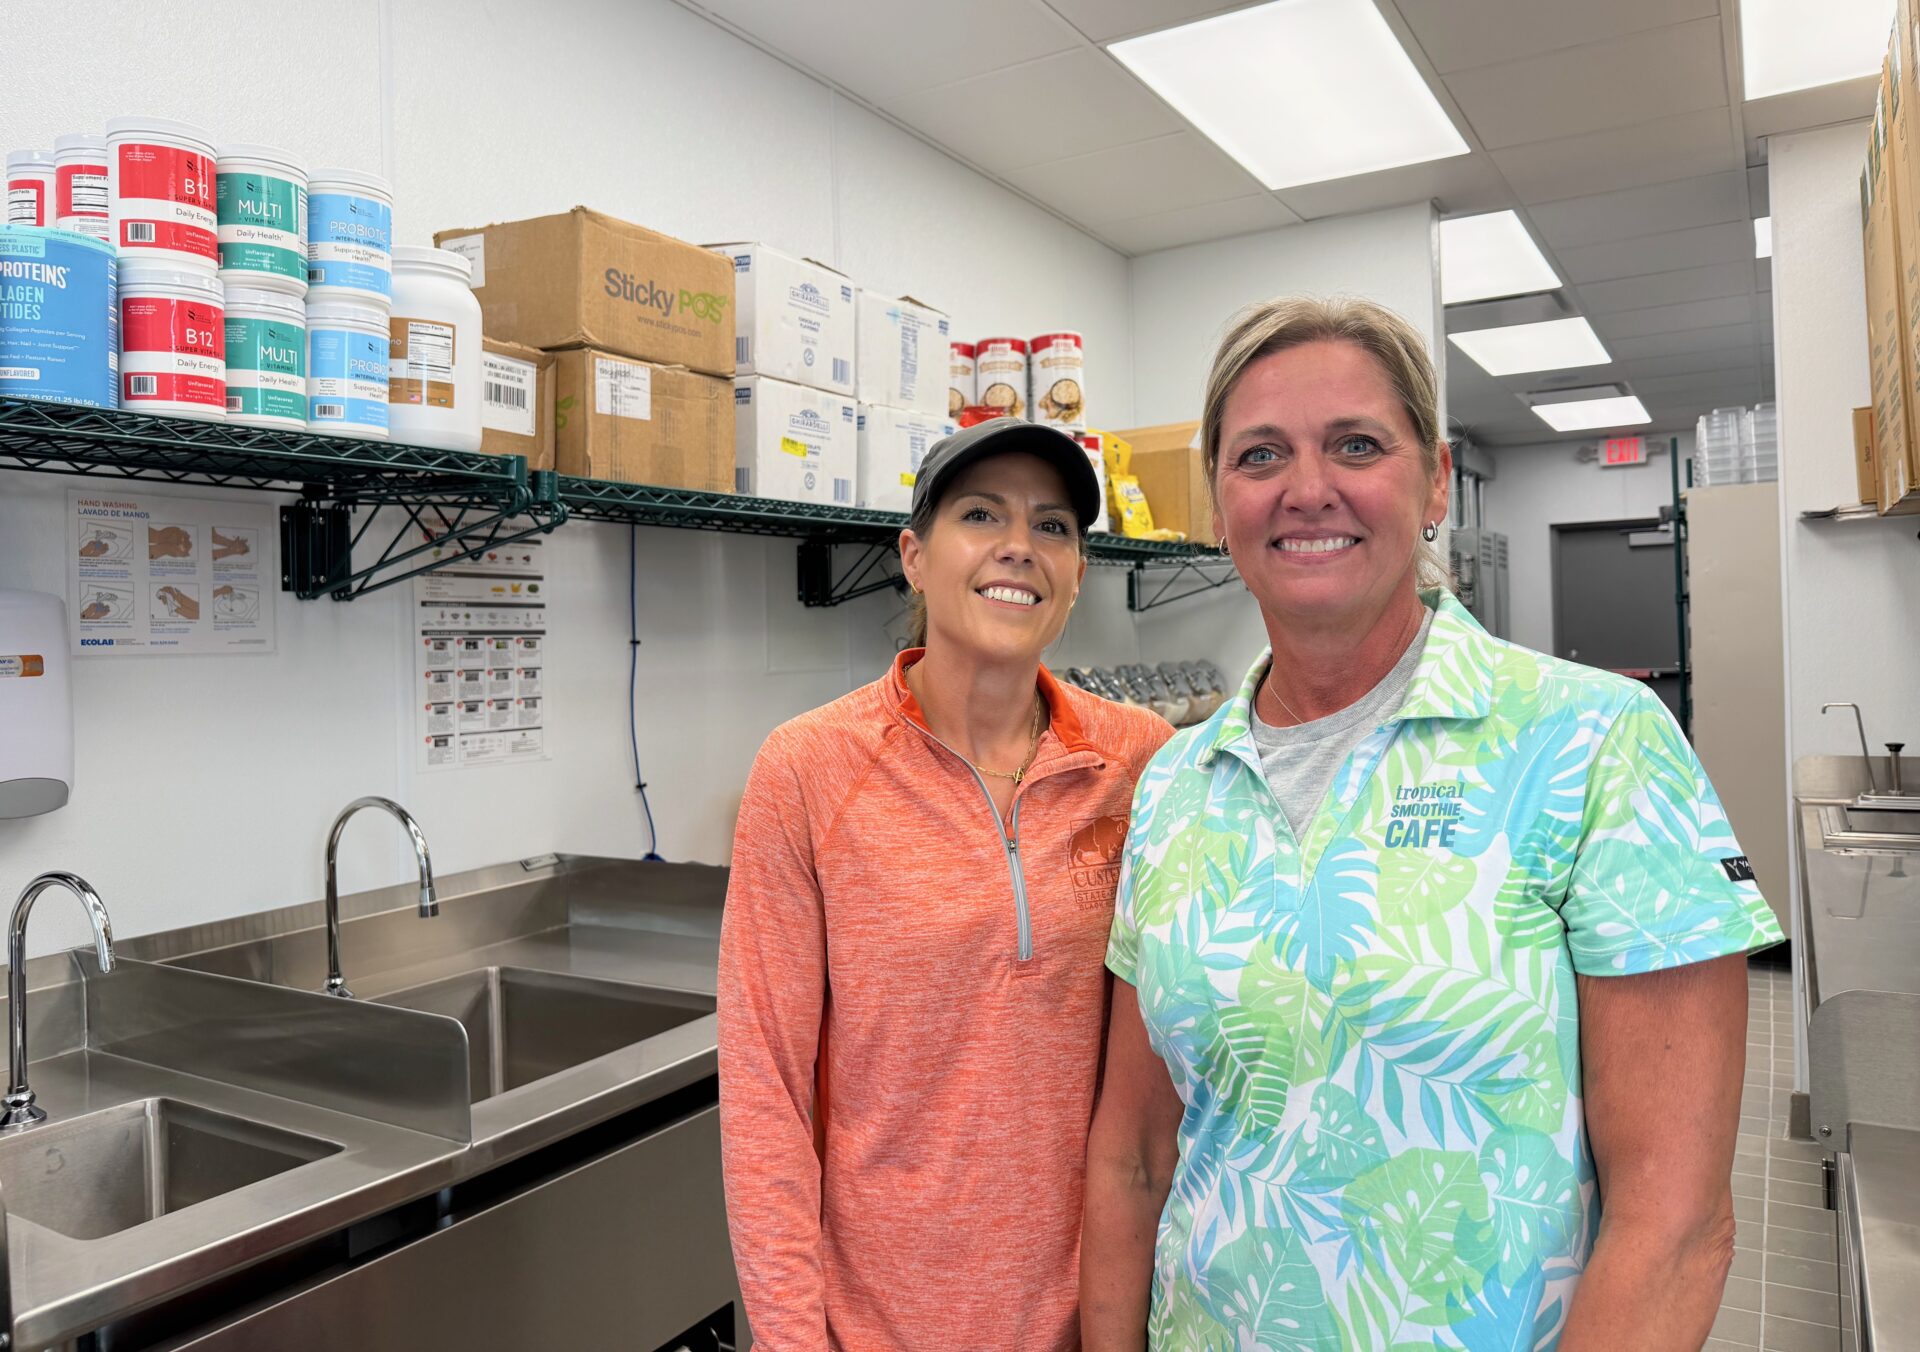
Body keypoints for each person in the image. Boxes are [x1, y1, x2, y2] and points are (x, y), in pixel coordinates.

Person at [1081, 297, 1784, 1351]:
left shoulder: (1593, 744)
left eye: (1356, 444)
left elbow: (1675, 1225)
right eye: (1260, 453)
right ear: (1220, 500)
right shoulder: (1178, 783)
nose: (1306, 488)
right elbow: (1135, 1152)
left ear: (1436, 480)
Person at [720, 419, 1174, 1350]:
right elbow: (766, 1091)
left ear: (1078, 573)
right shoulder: (808, 769)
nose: (1021, 545)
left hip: (1097, 1319)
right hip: (877, 1324)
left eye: (1053, 526)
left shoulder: (1138, 760)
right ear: (915, 556)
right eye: (981, 514)